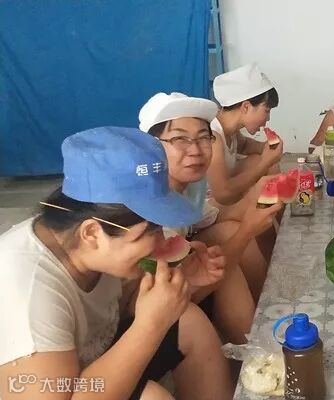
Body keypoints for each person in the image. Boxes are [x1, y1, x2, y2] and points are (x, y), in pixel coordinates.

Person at [0, 127, 233, 399]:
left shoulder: (86, 246)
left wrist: (183, 284)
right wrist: (150, 326)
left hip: (90, 360)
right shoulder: (27, 293)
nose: (162, 243)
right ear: (92, 233)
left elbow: (118, 305)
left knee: (188, 320)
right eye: (149, 232)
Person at [139, 93, 283, 328]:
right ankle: (252, 339)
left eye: (203, 137)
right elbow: (187, 293)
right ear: (151, 148)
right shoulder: (152, 211)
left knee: (229, 232)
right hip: (157, 302)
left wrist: (253, 201)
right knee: (224, 263)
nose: (195, 150)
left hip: (186, 256)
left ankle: (267, 306)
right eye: (179, 139)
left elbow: (215, 215)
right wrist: (247, 230)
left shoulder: (190, 186)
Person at [210, 63, 283, 206]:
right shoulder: (213, 137)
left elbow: (244, 145)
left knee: (258, 161)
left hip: (222, 198)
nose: (268, 118)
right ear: (246, 107)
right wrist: (264, 163)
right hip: (207, 206)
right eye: (266, 110)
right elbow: (222, 194)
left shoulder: (230, 129)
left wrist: (266, 148)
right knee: (262, 170)